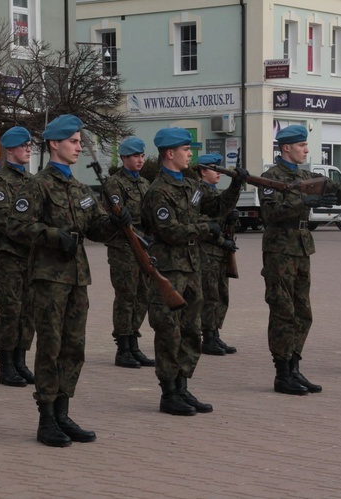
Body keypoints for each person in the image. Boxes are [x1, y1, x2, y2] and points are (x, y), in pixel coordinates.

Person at [8, 114, 127, 447]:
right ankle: (46, 418)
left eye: (79, 142)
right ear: (54, 144)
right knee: (51, 347)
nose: (78, 147)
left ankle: (63, 412)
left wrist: (118, 221)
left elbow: (97, 228)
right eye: (73, 142)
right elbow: (17, 226)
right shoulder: (36, 185)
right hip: (48, 279)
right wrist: (51, 236)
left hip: (77, 279)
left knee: (74, 347)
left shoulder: (78, 189)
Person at [259, 125, 341, 395]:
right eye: (302, 145)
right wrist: (304, 202)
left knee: (303, 313)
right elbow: (270, 214)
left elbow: (333, 187)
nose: (306, 150)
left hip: (301, 248)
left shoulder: (307, 175)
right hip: (279, 249)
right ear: (287, 148)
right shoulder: (269, 177)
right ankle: (282, 372)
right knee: (283, 311)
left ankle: (295, 367)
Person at [140, 129, 242, 416]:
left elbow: (215, 207)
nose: (190, 154)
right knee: (168, 331)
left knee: (190, 330)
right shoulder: (158, 191)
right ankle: (169, 392)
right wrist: (203, 228)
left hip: (191, 267)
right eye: (185, 149)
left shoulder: (190, 186)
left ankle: (182, 386)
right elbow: (169, 231)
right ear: (169, 154)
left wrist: (236, 186)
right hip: (170, 268)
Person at [0, 125, 36, 386]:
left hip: (30, 258)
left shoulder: (32, 181)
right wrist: (36, 231)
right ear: (10, 149)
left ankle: (20, 361)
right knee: (11, 309)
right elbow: (4, 220)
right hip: (7, 258)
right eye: (23, 146)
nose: (28, 149)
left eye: (29, 146)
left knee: (28, 311)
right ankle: (5, 365)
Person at [103, 137, 154, 369]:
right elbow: (115, 215)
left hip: (143, 245)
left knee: (143, 294)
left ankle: (134, 344)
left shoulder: (145, 184)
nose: (140, 160)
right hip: (123, 247)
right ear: (124, 158)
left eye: (142, 156)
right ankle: (123, 348)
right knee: (126, 295)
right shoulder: (114, 184)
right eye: (135, 156)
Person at [196, 154, 239, 356]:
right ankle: (208, 335)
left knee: (222, 294)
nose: (218, 172)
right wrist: (223, 241)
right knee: (210, 295)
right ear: (203, 171)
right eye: (214, 168)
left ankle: (215, 332)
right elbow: (203, 223)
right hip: (207, 251)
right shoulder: (199, 192)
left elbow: (220, 219)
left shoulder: (215, 192)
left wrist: (232, 218)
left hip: (220, 252)